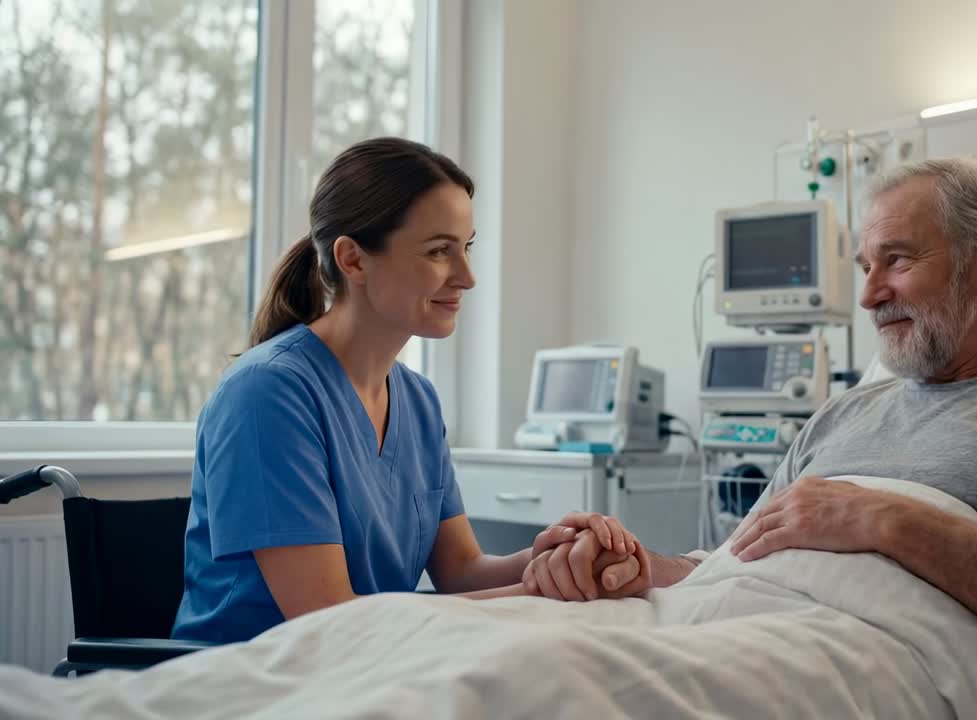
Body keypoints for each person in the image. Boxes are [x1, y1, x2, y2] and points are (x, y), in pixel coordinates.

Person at [523, 158, 977, 675]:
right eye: (866, 265)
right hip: (728, 630)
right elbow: (736, 565)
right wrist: (641, 570)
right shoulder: (838, 417)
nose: (869, 295)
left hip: (865, 662)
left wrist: (885, 519)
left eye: (897, 260)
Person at [172, 138, 640, 644]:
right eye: (440, 251)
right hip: (253, 681)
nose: (467, 277)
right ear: (353, 260)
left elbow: (462, 570)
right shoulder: (267, 395)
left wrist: (557, 558)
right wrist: (540, 594)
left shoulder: (417, 400)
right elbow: (325, 618)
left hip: (367, 669)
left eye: (467, 248)